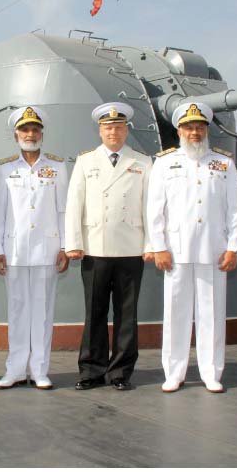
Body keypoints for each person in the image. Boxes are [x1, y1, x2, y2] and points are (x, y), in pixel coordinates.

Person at [147, 102, 237, 394]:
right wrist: (159, 246)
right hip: (176, 251)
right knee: (175, 313)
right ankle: (174, 372)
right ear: (179, 130)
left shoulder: (223, 163)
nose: (194, 132)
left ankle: (211, 372)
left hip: (213, 250)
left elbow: (235, 211)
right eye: (189, 127)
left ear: (206, 130)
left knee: (211, 314)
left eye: (199, 127)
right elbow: (155, 209)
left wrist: (234, 247)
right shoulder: (165, 163)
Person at [64, 102, 153, 391]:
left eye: (118, 126)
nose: (113, 131)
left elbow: (150, 208)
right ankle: (91, 370)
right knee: (95, 312)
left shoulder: (142, 162)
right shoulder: (86, 161)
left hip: (130, 248)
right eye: (108, 127)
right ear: (100, 130)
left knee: (127, 314)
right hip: (94, 247)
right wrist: (74, 243)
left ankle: (121, 372)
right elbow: (74, 204)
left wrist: (151, 244)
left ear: (126, 130)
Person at [0, 106, 69, 390]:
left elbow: (64, 211)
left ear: (42, 134)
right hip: (15, 250)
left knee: (43, 311)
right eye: (25, 129)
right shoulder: (4, 168)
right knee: (17, 309)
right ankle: (15, 369)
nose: (30, 134)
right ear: (16, 134)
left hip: (47, 250)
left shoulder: (58, 167)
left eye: (35, 129)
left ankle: (39, 369)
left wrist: (66, 247)